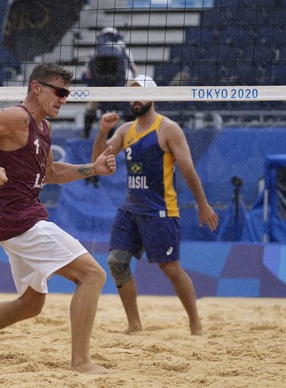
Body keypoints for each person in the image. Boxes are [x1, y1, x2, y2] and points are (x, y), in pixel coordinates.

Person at [0, 62, 116, 374]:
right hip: (22, 220)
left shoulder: (44, 128)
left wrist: (92, 168)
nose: (64, 98)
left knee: (30, 305)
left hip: (17, 220)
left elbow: (51, 173)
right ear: (36, 87)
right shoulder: (17, 117)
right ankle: (82, 362)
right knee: (93, 275)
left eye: (67, 94)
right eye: (59, 91)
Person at [91, 74, 219, 336]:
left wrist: (202, 205)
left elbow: (188, 169)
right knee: (117, 261)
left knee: (171, 268)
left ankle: (195, 323)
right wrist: (103, 131)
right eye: (131, 95)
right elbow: (98, 163)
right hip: (131, 208)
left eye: (139, 94)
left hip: (160, 210)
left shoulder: (168, 129)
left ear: (153, 96)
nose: (134, 99)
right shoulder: (125, 130)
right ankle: (134, 325)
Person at [81, 26, 137, 139]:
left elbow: (87, 75)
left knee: (92, 106)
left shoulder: (94, 52)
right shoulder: (124, 50)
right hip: (121, 85)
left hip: (100, 86)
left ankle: (86, 134)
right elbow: (134, 70)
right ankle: (135, 133)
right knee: (130, 106)